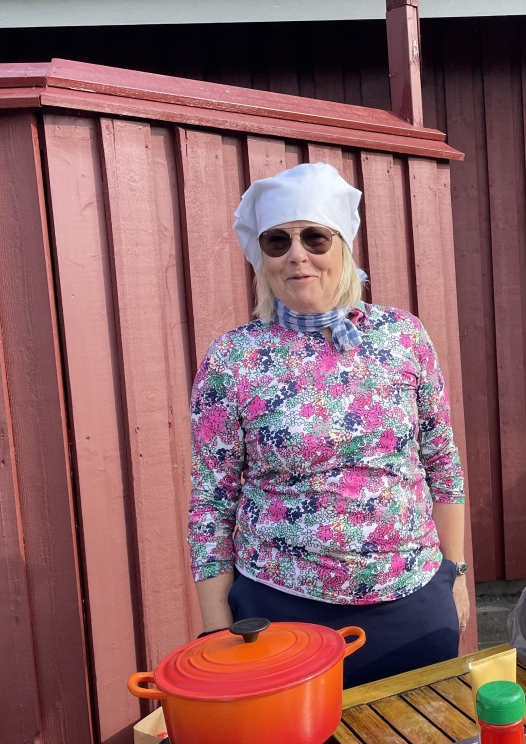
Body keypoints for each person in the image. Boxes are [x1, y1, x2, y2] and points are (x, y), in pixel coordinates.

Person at [187, 162, 468, 688]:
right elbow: (211, 502)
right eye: (278, 241)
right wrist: (218, 631)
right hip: (281, 613)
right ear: (261, 259)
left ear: (344, 246)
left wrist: (456, 574)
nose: (298, 254)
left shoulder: (403, 337)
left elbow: (441, 462)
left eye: (315, 236)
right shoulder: (233, 359)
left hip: (412, 602)